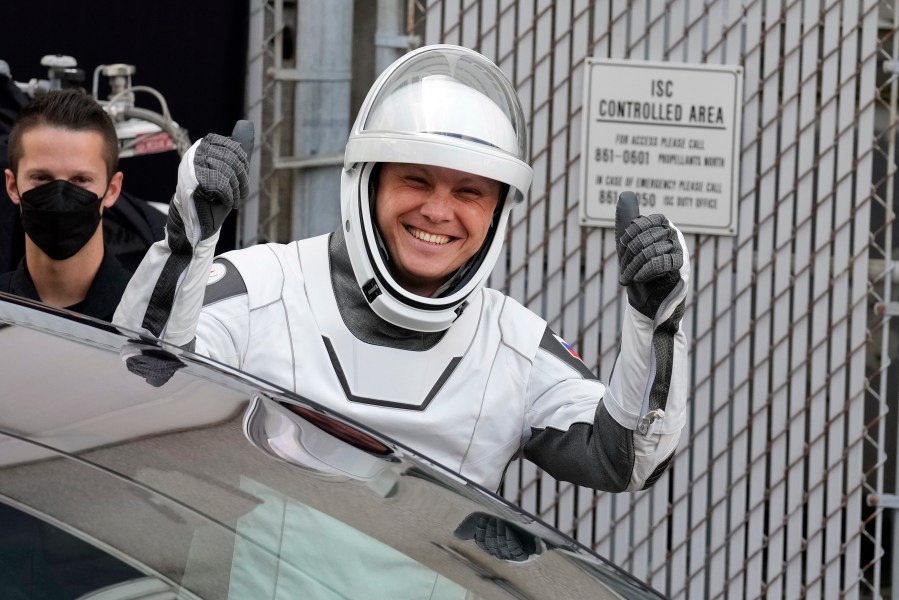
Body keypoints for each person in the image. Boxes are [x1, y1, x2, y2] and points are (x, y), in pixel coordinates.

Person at [114, 44, 690, 495]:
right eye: (416, 179)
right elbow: (136, 380)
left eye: (470, 192)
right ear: (368, 182)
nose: (438, 211)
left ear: (496, 213)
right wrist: (187, 244)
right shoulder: (263, 289)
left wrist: (655, 324)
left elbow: (627, 462)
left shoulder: (511, 346)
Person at [2, 89, 130, 321]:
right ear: (12, 186)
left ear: (112, 190)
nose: (60, 195)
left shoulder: (147, 322)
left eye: (81, 180)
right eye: (42, 178)